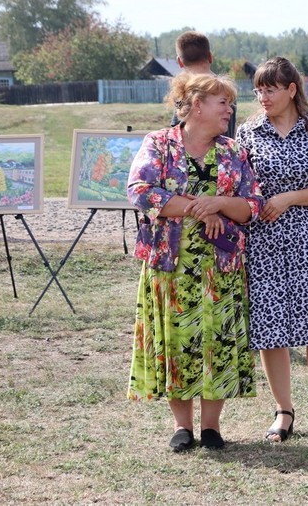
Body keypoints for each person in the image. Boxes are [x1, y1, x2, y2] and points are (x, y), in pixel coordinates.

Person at [127, 72, 264, 452]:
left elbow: (252, 205)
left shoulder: (234, 152)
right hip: (171, 265)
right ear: (197, 105)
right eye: (223, 103)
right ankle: (182, 426)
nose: (230, 110)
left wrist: (219, 204)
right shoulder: (159, 143)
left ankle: (212, 427)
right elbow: (140, 191)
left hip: (221, 268)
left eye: (230, 103)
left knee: (217, 342)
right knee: (178, 342)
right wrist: (199, 210)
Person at [236, 57, 308, 444]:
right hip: (264, 240)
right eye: (258, 90)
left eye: (270, 89)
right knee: (272, 329)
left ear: (291, 90)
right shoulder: (248, 132)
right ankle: (283, 412)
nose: (263, 96)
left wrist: (289, 198)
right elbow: (239, 187)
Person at [170, 31, 237, 139]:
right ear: (210, 56)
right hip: (224, 148)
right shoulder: (225, 89)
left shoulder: (182, 91)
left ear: (179, 62)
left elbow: (176, 130)